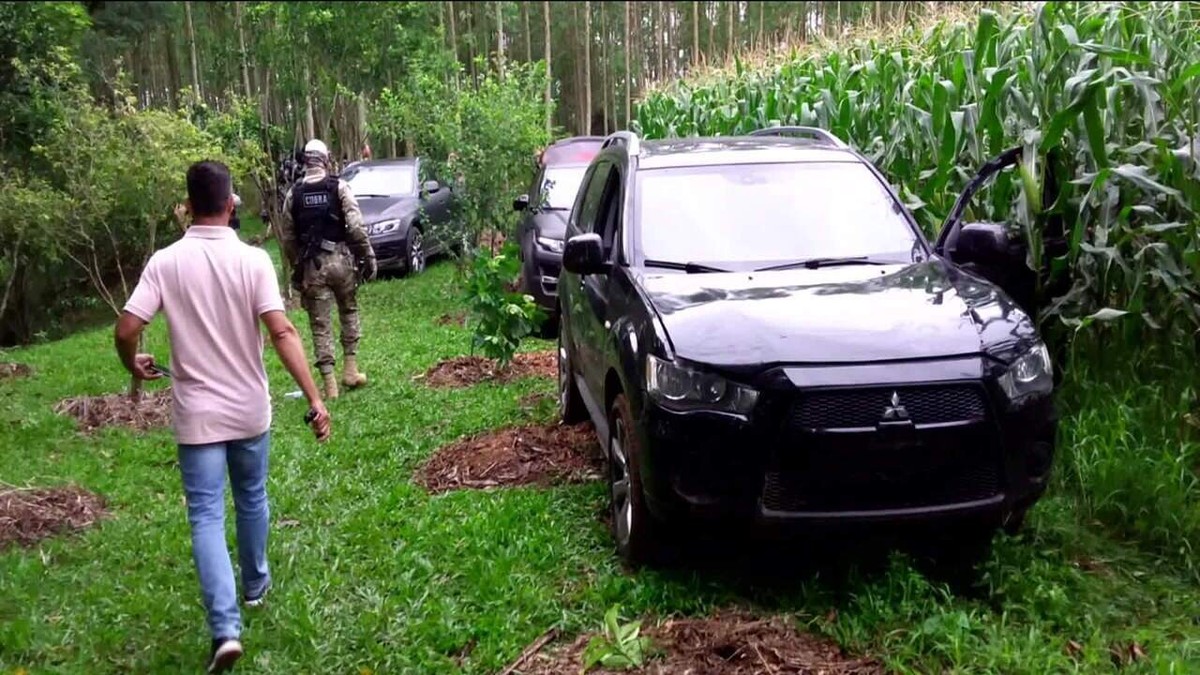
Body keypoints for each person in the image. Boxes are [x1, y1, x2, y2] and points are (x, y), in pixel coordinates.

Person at [114, 160, 332, 673]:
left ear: (186, 208)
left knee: (206, 516)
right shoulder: (253, 261)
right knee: (251, 496)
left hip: (197, 418)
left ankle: (225, 629)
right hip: (249, 409)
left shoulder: (165, 262)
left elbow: (126, 329)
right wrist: (315, 398)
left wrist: (132, 361)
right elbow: (282, 333)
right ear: (233, 205)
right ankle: (256, 585)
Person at [280, 138, 377, 400]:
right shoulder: (340, 187)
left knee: (319, 323)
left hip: (312, 266)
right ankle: (351, 370)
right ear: (325, 159)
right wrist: (367, 257)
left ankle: (330, 386)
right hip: (341, 262)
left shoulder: (294, 194)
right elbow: (356, 228)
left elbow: (288, 237)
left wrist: (299, 266)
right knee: (348, 310)